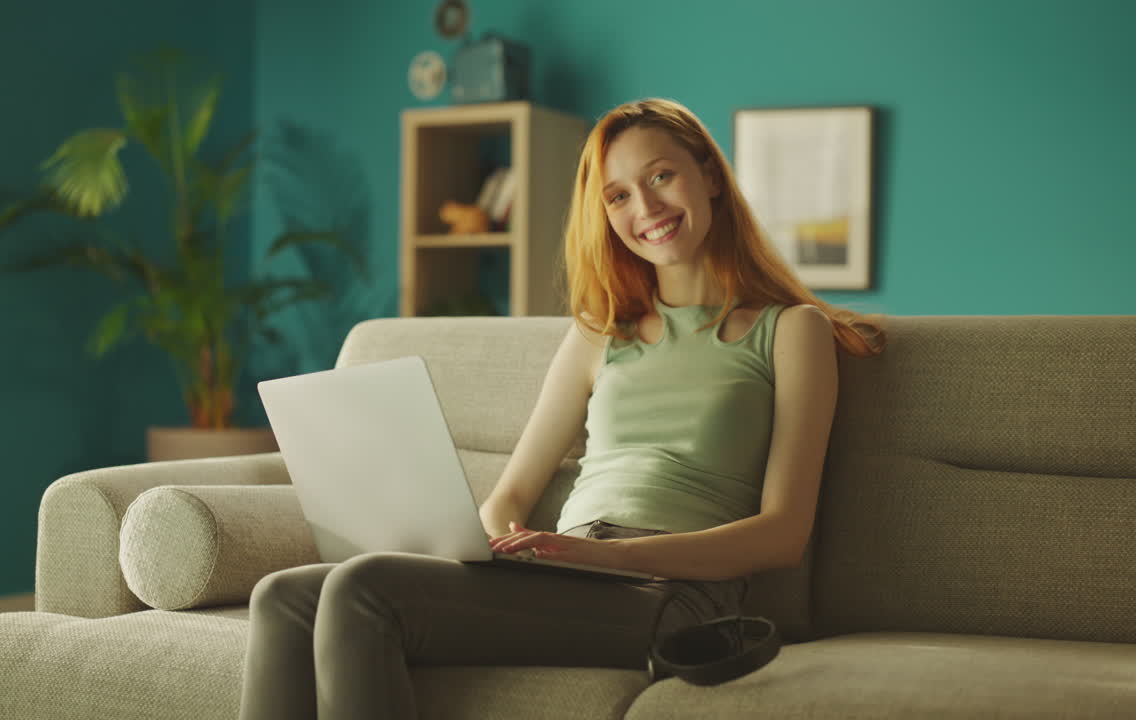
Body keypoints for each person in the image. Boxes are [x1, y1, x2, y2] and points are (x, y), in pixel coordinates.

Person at [237, 98, 885, 720]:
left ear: (710, 176)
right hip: (566, 572)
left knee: (363, 589)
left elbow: (783, 535)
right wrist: (501, 547)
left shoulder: (790, 330)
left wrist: (605, 558)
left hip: (671, 595)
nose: (647, 207)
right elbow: (511, 494)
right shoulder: (598, 336)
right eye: (619, 195)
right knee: (285, 596)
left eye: (662, 176)